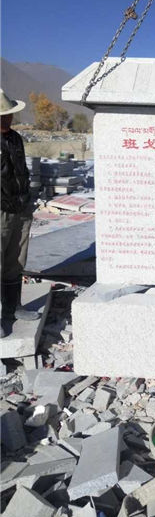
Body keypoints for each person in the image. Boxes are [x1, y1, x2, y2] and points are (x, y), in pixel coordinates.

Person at [1, 89, 35, 337]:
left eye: (9, 114)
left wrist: (26, 200)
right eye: (3, 115)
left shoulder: (15, 139)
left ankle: (13, 308)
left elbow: (21, 171)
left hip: (20, 209)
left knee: (16, 260)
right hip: (1, 211)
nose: (7, 119)